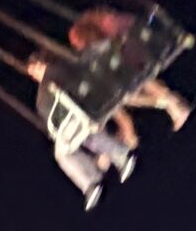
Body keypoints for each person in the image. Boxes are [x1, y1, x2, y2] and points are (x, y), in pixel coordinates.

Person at [22, 51, 131, 208]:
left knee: (62, 153)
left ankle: (91, 183)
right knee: (86, 137)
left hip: (76, 115)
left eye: (34, 71)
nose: (34, 76)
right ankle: (120, 157)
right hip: (77, 117)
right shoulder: (56, 73)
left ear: (40, 64)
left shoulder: (51, 77)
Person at [67, 6, 194, 132]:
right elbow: (103, 54)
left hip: (142, 42)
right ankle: (167, 103)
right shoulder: (93, 36)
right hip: (130, 53)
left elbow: (123, 38)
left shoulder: (106, 22)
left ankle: (172, 103)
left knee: (136, 78)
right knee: (124, 94)